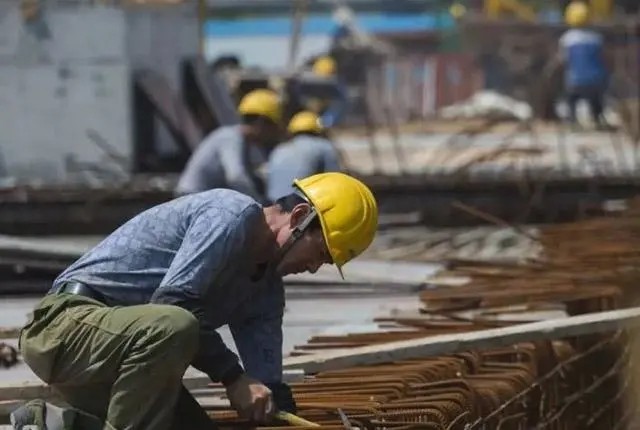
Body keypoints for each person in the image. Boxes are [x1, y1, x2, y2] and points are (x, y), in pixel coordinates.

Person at [13, 172, 378, 430]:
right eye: (320, 252)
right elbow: (174, 301)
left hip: (119, 359)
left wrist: (282, 414)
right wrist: (233, 377)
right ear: (298, 218)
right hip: (66, 328)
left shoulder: (264, 291)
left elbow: (269, 387)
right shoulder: (231, 214)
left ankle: (49, 424)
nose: (314, 268)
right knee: (176, 323)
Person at [175, 88, 282, 202]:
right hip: (192, 198)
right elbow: (236, 178)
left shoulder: (240, 141)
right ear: (261, 122)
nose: (273, 134)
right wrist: (258, 204)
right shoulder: (231, 138)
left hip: (200, 197)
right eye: (273, 127)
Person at [267, 111, 342, 202]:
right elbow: (336, 180)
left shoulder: (279, 149)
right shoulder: (324, 146)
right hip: (303, 206)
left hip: (273, 203)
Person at [558, 1, 609, 128]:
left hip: (575, 81)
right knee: (596, 100)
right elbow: (603, 58)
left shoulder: (567, 39)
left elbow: (564, 59)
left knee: (571, 99)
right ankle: (597, 119)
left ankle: (572, 121)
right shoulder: (596, 38)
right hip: (596, 80)